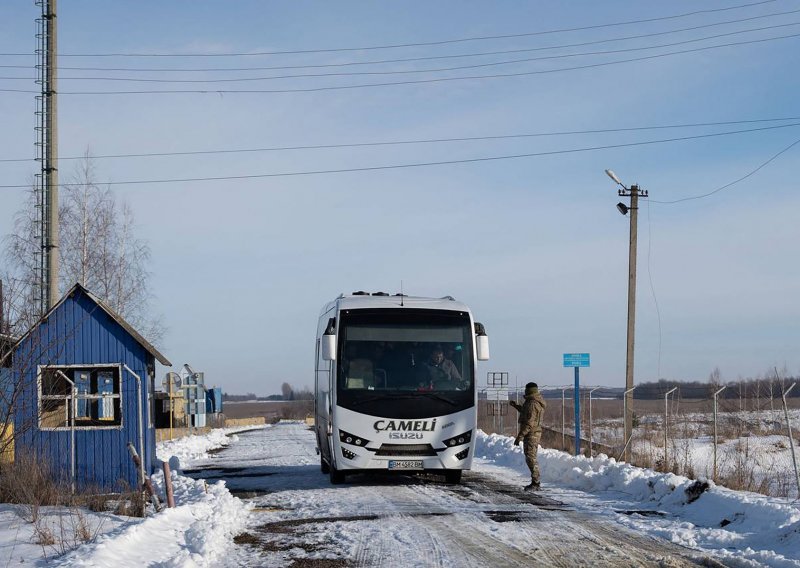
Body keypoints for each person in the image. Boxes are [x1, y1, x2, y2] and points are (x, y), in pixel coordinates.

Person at [510, 382, 546, 491]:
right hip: (534, 433)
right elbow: (527, 413)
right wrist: (516, 406)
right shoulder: (533, 402)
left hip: (532, 434)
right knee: (530, 457)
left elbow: (529, 423)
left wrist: (520, 436)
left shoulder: (532, 403)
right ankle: (535, 482)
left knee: (531, 458)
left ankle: (536, 483)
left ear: (529, 391)